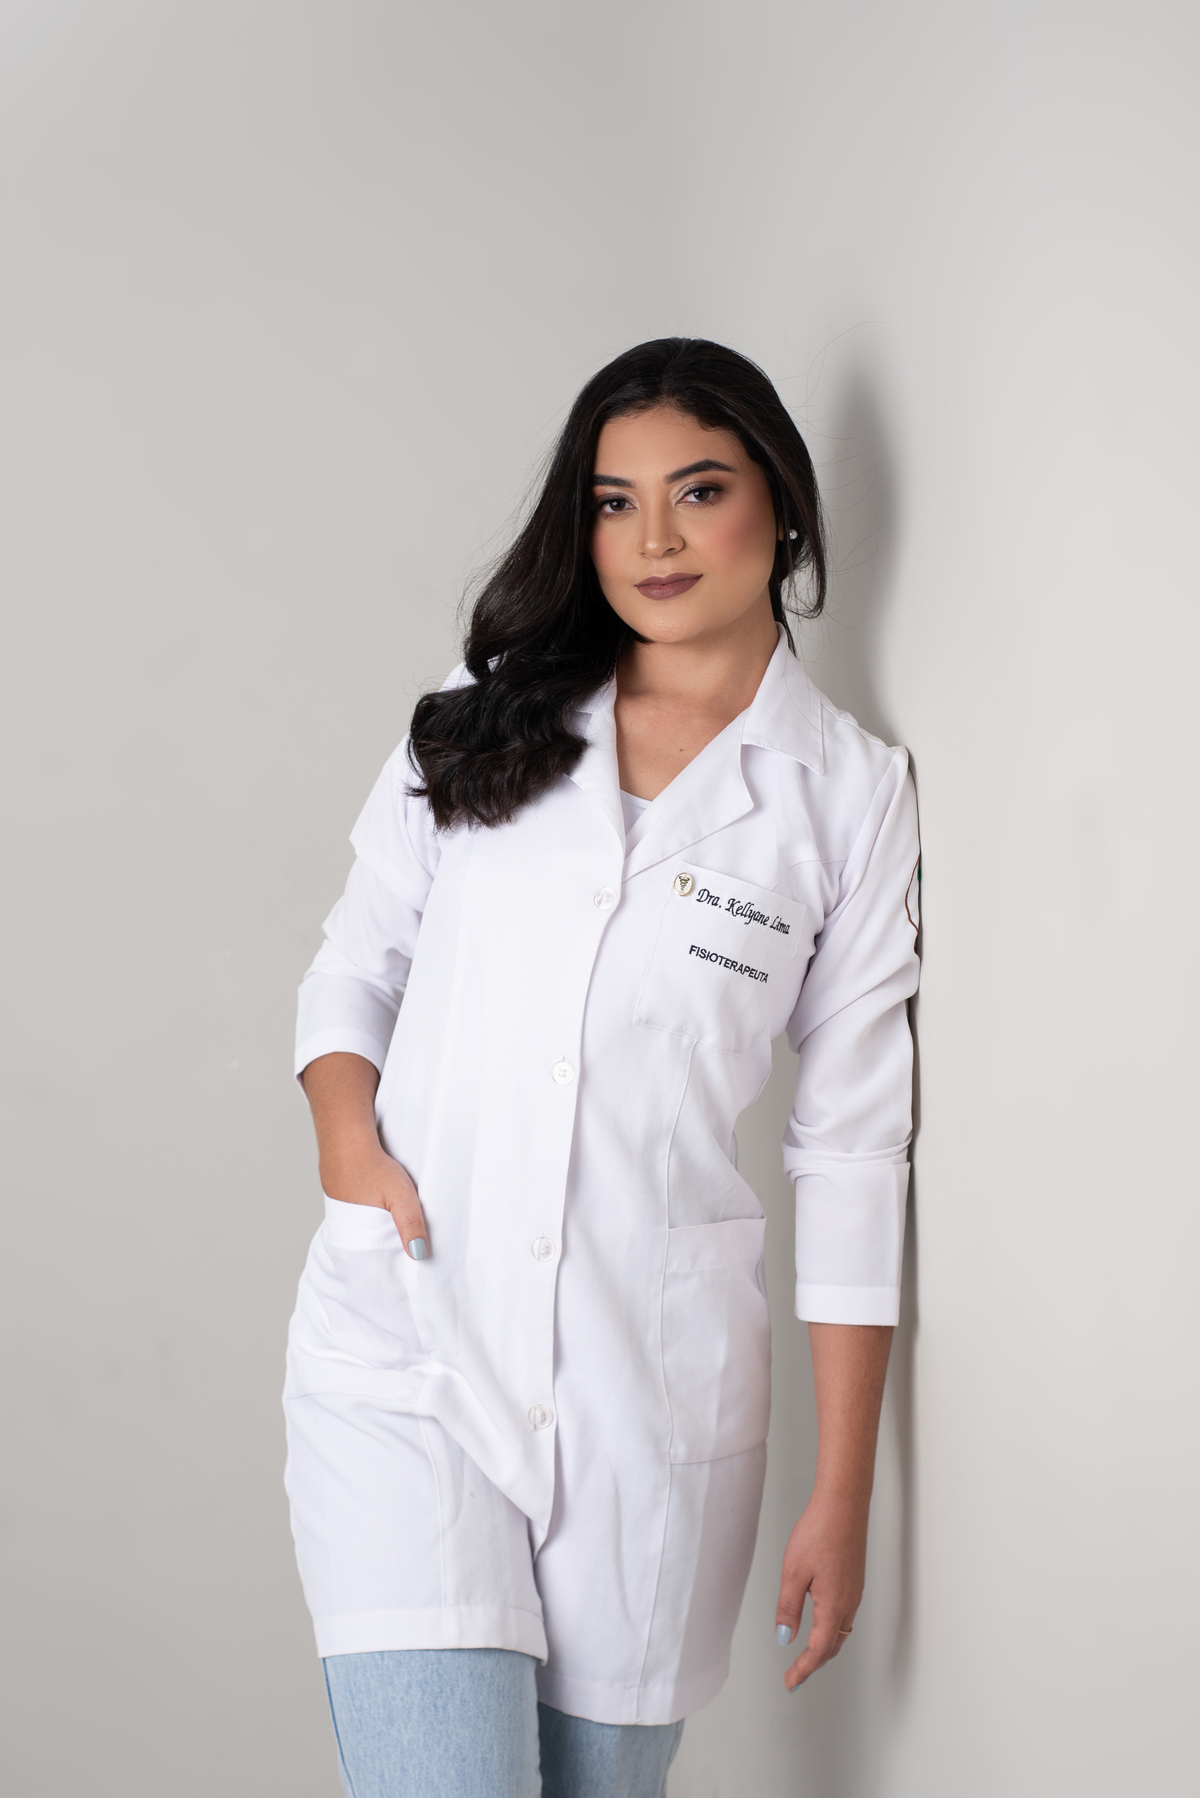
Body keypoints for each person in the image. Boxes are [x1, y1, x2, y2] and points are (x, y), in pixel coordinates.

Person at [283, 337, 920, 1798]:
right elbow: (356, 962)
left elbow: (849, 1149)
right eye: (613, 502)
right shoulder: (489, 710)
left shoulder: (847, 796)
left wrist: (843, 1490)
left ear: (782, 503)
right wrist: (350, 1152)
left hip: (647, 1401)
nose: (653, 540)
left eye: (699, 490)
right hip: (412, 1347)